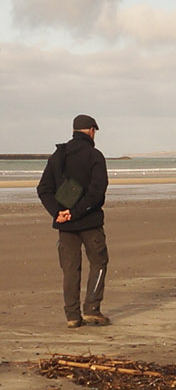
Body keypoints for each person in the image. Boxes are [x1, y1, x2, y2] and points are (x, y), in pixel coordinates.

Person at [37, 115, 111, 329]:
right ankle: (92, 310)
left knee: (70, 269)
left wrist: (58, 212)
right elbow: (98, 191)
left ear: (74, 131)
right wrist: (73, 212)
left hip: (66, 223)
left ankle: (72, 316)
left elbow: (43, 189)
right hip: (89, 221)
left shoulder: (58, 156)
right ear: (91, 131)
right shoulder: (94, 155)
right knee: (98, 263)